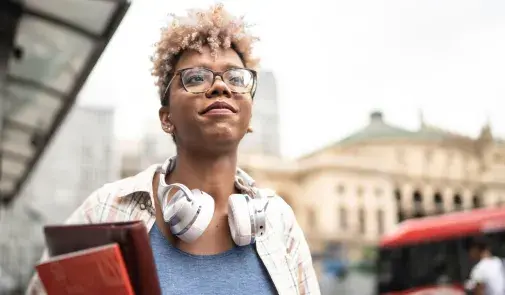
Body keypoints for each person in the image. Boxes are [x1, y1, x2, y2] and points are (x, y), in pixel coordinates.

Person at [26, 3, 320, 295]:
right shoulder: (105, 209)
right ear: (167, 119)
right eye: (195, 78)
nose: (221, 87)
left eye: (235, 78)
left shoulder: (280, 222)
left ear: (250, 114)